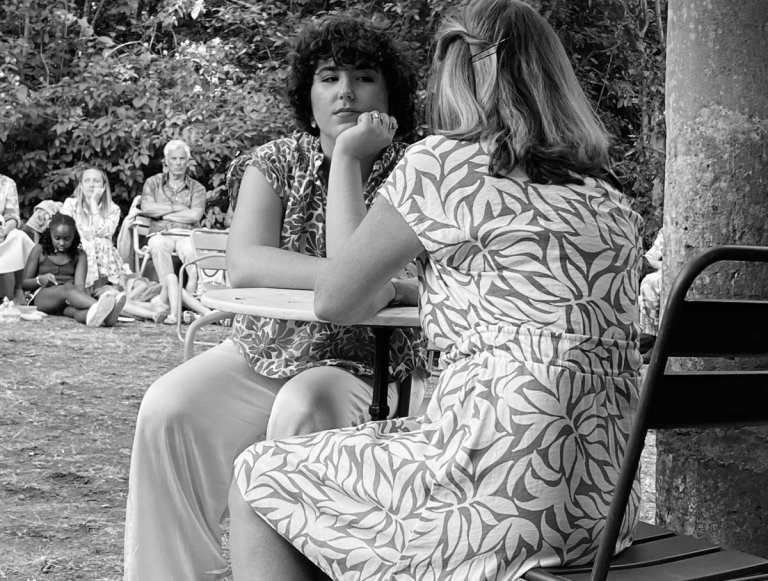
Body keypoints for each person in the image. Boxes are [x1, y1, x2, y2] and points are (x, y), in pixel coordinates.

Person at [227, 0, 644, 579]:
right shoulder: (607, 196)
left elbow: (338, 300)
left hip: (495, 498)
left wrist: (346, 157)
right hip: (600, 510)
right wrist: (416, 292)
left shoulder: (444, 164)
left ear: (458, 76)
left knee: (258, 477)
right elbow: (530, 305)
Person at [123, 15, 425, 580]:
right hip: (266, 349)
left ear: (390, 96)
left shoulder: (417, 168)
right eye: (328, 78)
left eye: (364, 78)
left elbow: (406, 287)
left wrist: (348, 160)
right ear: (307, 94)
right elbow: (246, 264)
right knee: (168, 408)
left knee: (303, 405)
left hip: (375, 361)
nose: (345, 92)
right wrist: (352, 280)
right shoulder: (276, 161)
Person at [21, 213, 125, 327]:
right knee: (67, 288)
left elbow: (79, 286)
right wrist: (40, 280)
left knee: (79, 311)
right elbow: (24, 284)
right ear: (50, 233)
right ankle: (107, 310)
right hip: (42, 297)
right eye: (57, 238)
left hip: (67, 300)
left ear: (74, 236)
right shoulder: (39, 250)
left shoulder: (80, 255)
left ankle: (107, 320)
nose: (61, 243)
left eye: (67, 239)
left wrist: (74, 300)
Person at [138, 139, 206, 281]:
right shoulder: (153, 183)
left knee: (191, 249)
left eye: (182, 159)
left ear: (188, 162)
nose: (178, 163)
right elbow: (147, 208)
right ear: (166, 161)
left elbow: (195, 215)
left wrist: (163, 216)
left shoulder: (198, 188)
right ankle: (168, 287)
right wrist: (177, 208)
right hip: (160, 234)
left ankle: (193, 288)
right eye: (173, 159)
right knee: (158, 244)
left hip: (187, 235)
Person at [60, 167, 128, 294]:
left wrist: (93, 204)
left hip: (101, 257)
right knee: (87, 244)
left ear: (104, 186)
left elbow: (104, 232)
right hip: (75, 250)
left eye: (96, 181)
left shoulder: (113, 209)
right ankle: (85, 291)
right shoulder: (70, 204)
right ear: (81, 186)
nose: (91, 184)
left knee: (100, 242)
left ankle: (97, 290)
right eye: (87, 181)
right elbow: (65, 230)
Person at [0, 172, 35, 303]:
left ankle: (19, 288)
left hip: (2, 230)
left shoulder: (7, 183)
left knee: (19, 236)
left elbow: (13, 216)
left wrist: (4, 231)